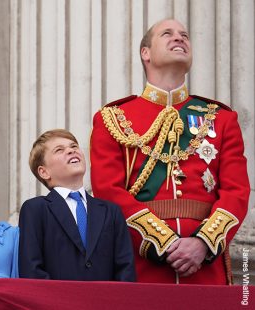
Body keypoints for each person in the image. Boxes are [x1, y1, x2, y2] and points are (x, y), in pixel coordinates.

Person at [90, 19, 250, 284]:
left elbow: (237, 192)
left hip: (205, 267)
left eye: (185, 35)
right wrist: (162, 243)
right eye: (168, 34)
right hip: (142, 264)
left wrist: (203, 243)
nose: (180, 38)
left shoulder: (221, 118)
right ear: (146, 53)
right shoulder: (113, 118)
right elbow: (108, 191)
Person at [19, 129, 135, 281]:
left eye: (74, 146)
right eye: (59, 150)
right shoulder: (35, 209)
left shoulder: (110, 211)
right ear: (44, 172)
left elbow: (125, 268)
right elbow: (31, 268)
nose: (70, 150)